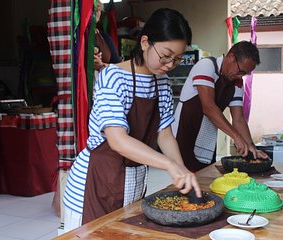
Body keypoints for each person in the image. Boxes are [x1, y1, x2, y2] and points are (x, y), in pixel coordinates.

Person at [63, 8, 201, 232]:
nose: (169, 65)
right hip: (94, 183)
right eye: (165, 56)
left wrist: (182, 172)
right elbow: (118, 140)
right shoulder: (112, 78)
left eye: (176, 60)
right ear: (145, 42)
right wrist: (169, 165)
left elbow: (164, 134)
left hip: (133, 183)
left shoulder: (162, 83)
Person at [171, 41, 268, 172]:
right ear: (231, 57)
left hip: (206, 136)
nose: (240, 76)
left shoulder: (237, 82)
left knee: (204, 178)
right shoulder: (206, 66)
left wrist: (251, 147)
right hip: (185, 133)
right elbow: (209, 107)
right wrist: (237, 137)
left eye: (244, 74)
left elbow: (238, 119)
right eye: (240, 71)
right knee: (185, 180)